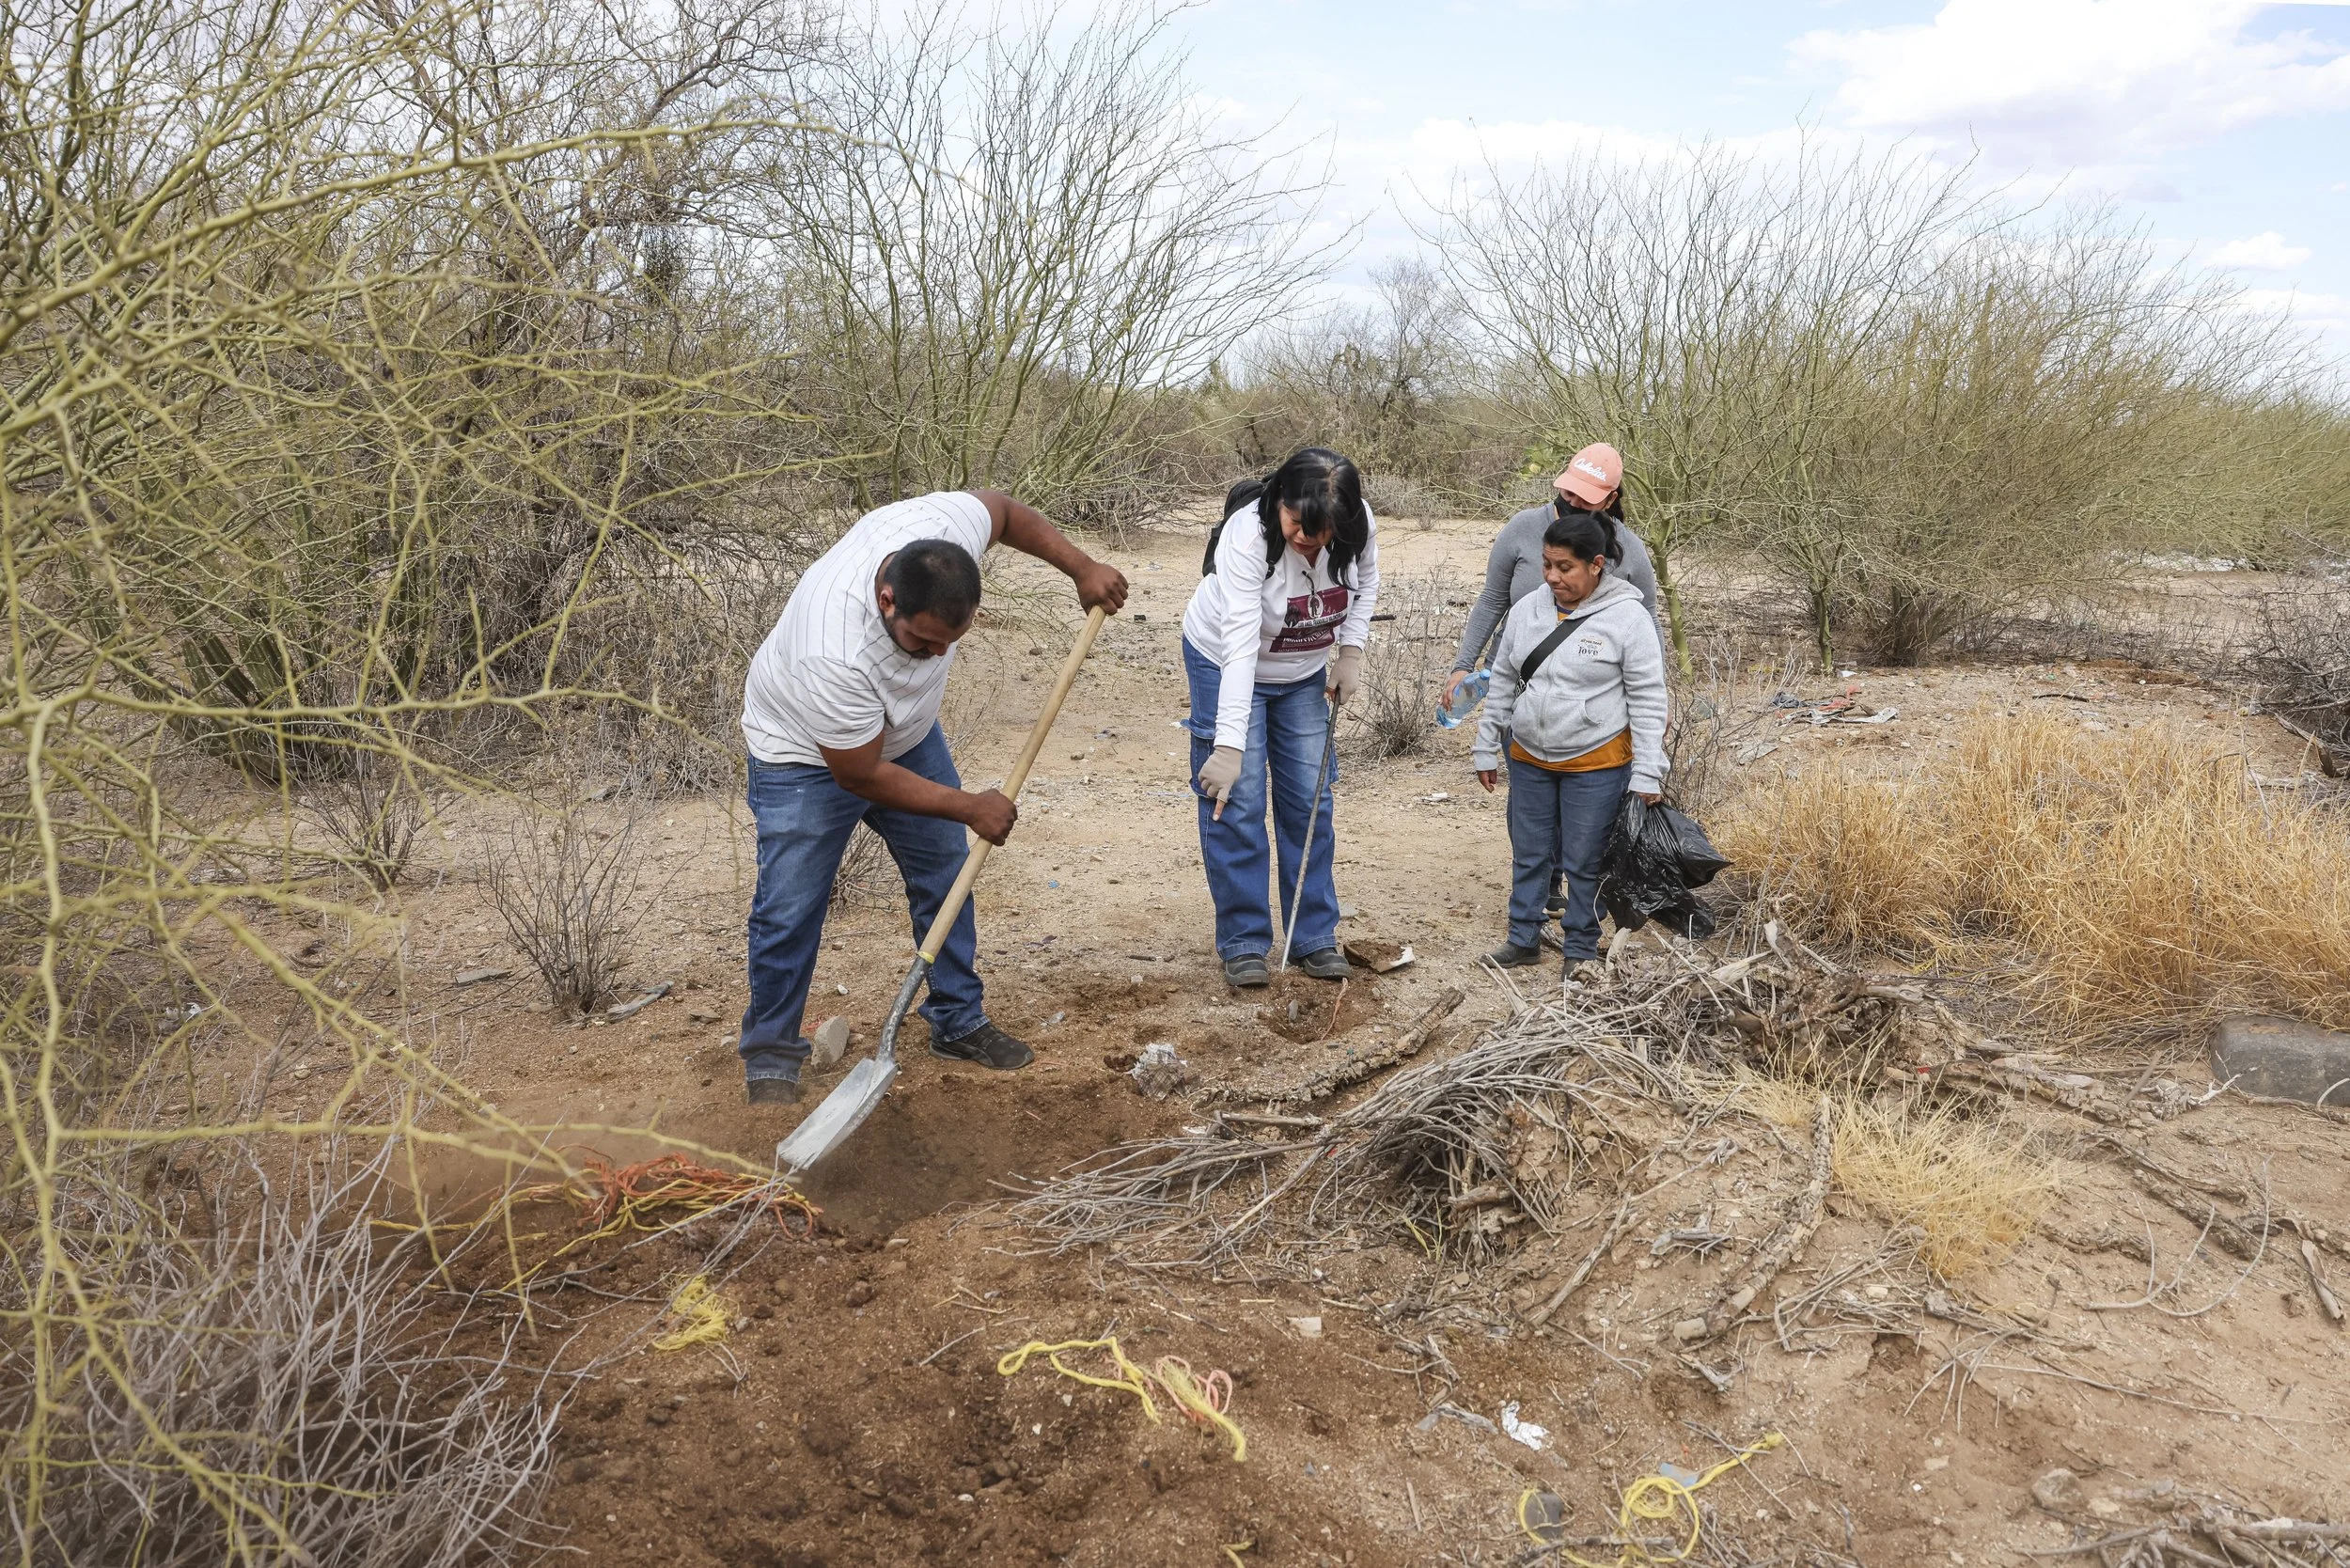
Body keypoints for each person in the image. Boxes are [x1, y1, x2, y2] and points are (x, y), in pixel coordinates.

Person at [735, 490, 1128, 1105]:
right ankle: (771, 1059)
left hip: (902, 738)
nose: (934, 658)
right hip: (806, 756)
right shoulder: (832, 648)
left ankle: (957, 1021)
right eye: (921, 644)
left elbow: (1001, 511)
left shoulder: (940, 532)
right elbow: (859, 774)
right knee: (790, 907)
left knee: (947, 869)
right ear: (887, 600)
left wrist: (1081, 568)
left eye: (950, 643)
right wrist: (968, 805)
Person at [1183, 447, 1379, 988]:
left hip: (1302, 671)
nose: (1307, 539)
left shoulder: (1358, 526)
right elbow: (1240, 646)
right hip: (1227, 659)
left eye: (1321, 531)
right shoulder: (1246, 538)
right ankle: (1245, 940)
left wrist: (1351, 652)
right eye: (1297, 523)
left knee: (1309, 799)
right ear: (1280, 501)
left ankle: (1310, 936)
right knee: (1237, 799)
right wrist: (1228, 748)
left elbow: (1365, 586)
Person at [1472, 507, 1668, 985]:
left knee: (1584, 858)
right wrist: (1485, 744)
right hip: (1530, 756)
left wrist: (1648, 770)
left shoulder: (1628, 618)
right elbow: (1502, 677)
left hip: (1597, 761)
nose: (1553, 577)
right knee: (1530, 852)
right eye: (1547, 565)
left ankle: (1579, 950)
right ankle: (1523, 939)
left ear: (1596, 565)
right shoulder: (1528, 610)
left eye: (1565, 568)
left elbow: (1647, 696)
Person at [1445, 442, 1659, 711]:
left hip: (1591, 696)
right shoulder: (1523, 528)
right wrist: (1463, 666)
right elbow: (1492, 599)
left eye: (1586, 498)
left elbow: (1648, 620)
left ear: (1610, 500)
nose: (1573, 502)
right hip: (1514, 684)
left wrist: (1655, 699)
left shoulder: (1629, 549)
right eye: (1569, 492)